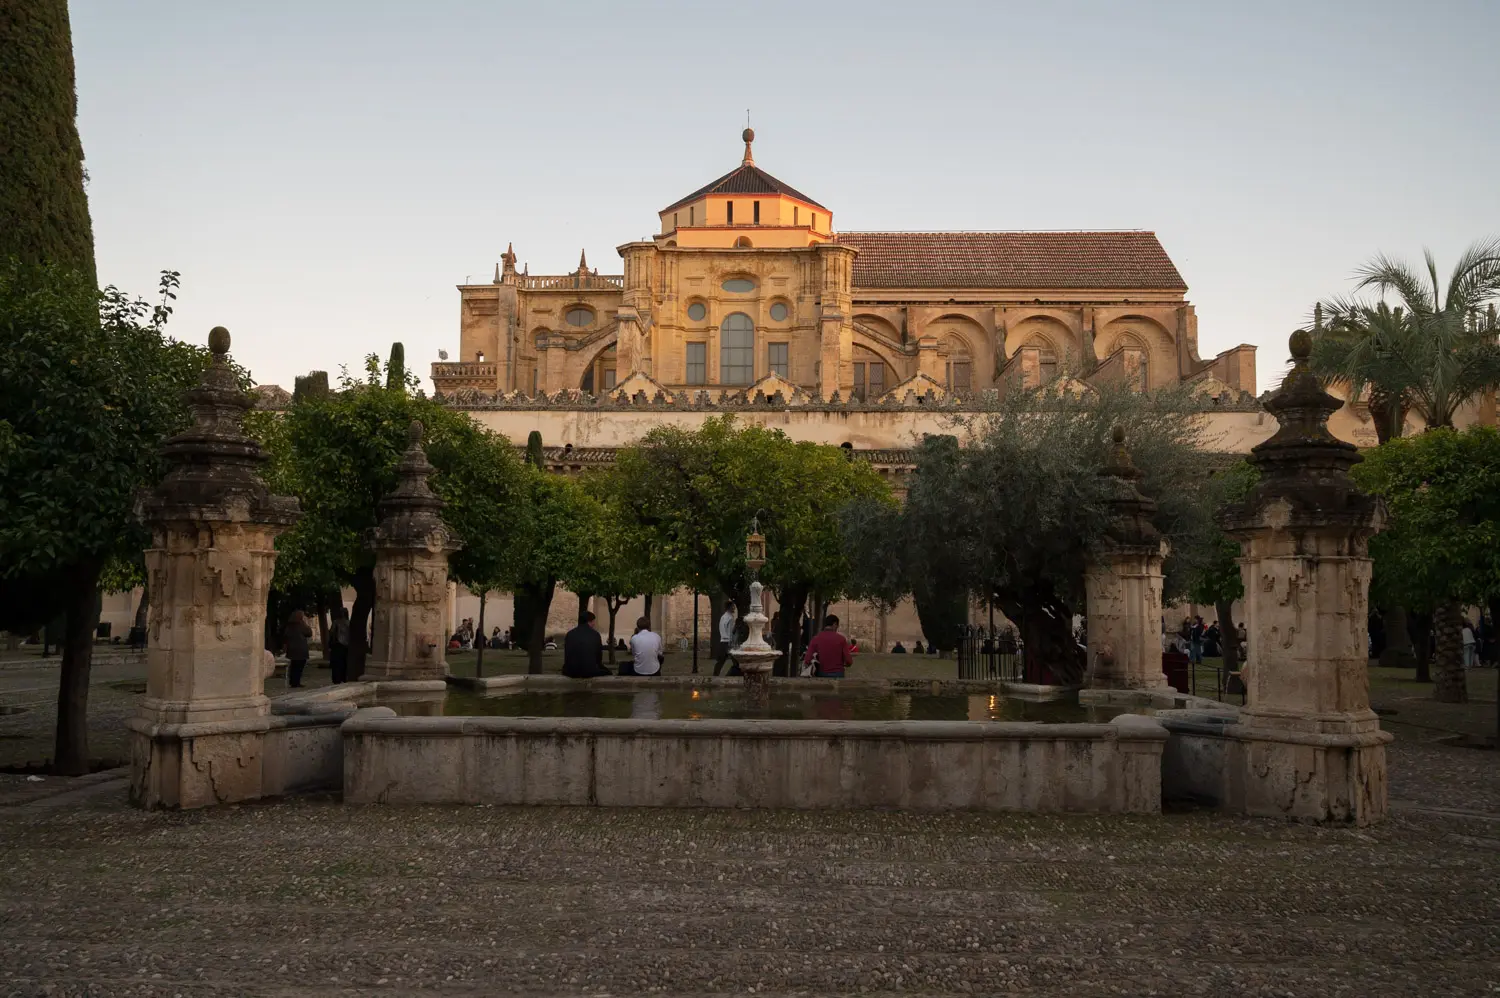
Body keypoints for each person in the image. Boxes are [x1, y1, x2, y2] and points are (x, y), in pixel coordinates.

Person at [562, 611, 611, 678]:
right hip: (589, 671)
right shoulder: (595, 634)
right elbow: (598, 658)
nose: (594, 624)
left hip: (571, 671)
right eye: (593, 621)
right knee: (608, 672)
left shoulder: (570, 634)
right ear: (589, 621)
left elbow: (567, 655)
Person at [283, 609, 313, 688]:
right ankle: (296, 682)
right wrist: (306, 623)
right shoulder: (301, 624)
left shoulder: (289, 625)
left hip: (292, 649)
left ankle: (293, 682)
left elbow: (286, 636)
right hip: (300, 649)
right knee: (299, 666)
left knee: (294, 665)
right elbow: (309, 633)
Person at [713, 601, 738, 676]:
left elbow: (723, 629)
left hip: (723, 641)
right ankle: (730, 675)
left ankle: (715, 675)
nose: (734, 608)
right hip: (728, 642)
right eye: (733, 606)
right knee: (736, 661)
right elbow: (730, 632)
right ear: (729, 607)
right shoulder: (730, 618)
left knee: (721, 661)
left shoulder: (723, 617)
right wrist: (732, 643)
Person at [328, 605, 351, 684]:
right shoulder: (348, 623)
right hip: (344, 646)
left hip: (339, 646)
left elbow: (331, 633)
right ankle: (342, 678)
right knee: (342, 663)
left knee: (338, 664)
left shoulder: (336, 622)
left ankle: (338, 679)